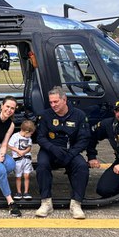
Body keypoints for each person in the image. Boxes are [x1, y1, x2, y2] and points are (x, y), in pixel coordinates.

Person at [34, 86, 91, 219]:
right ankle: (46, 202)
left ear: (64, 100)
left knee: (82, 167)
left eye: (56, 102)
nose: (53, 105)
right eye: (51, 102)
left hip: (70, 150)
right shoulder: (46, 115)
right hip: (50, 149)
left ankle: (76, 204)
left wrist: (71, 153)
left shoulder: (79, 115)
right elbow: (40, 137)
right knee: (42, 165)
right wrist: (52, 148)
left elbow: (84, 139)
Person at [8, 119, 36, 201]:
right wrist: (18, 151)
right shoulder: (15, 136)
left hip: (26, 159)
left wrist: (24, 152)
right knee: (18, 176)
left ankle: (26, 192)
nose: (31, 135)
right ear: (26, 131)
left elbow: (29, 147)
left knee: (27, 175)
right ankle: (19, 192)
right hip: (18, 160)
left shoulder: (29, 138)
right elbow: (10, 145)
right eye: (30, 134)